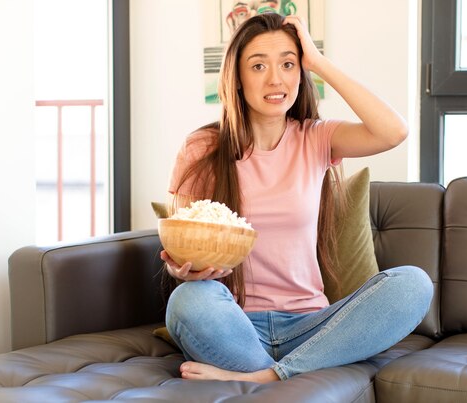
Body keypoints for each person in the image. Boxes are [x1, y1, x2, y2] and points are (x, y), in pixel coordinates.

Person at [161, 12, 433, 383]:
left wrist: (317, 61)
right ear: (237, 78)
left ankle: (267, 378)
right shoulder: (202, 148)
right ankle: (285, 372)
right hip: (235, 323)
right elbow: (182, 240)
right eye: (258, 66)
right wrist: (184, 269)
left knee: (414, 284)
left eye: (288, 64)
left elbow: (393, 131)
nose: (276, 79)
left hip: (313, 325)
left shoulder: (316, 138)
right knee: (188, 301)